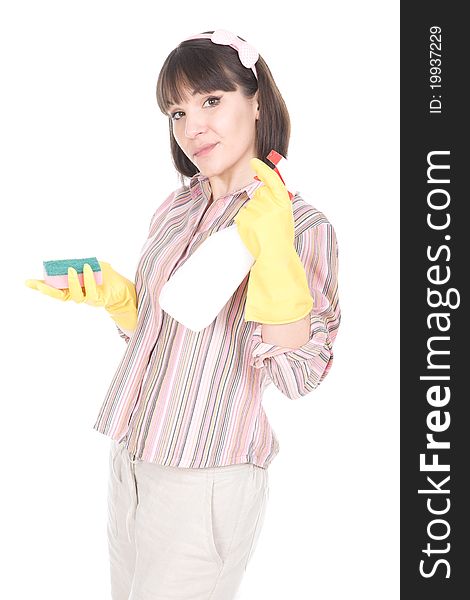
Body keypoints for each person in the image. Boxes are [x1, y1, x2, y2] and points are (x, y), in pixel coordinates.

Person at [25, 29, 341, 600]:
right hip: (133, 457)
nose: (191, 126)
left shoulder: (301, 225)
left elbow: (302, 374)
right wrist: (123, 302)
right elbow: (163, 333)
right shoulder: (179, 205)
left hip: (206, 477)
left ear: (257, 100)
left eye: (211, 101)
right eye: (177, 111)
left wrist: (274, 258)